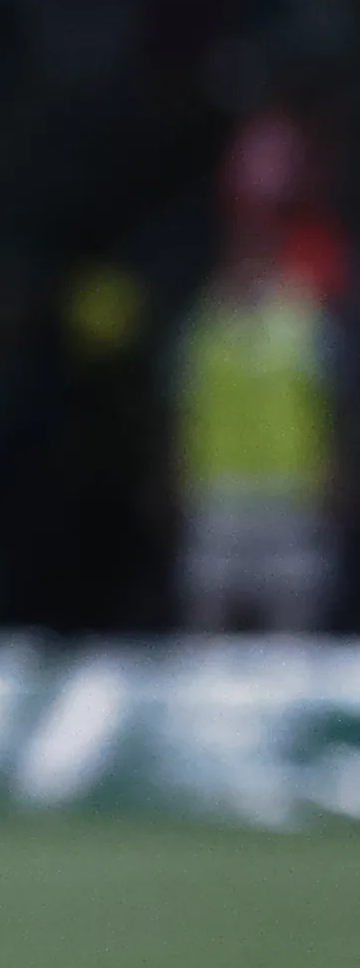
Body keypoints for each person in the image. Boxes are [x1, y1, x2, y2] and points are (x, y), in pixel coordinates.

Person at [171, 112, 342, 637]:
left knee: (293, 645)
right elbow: (183, 406)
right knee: (206, 636)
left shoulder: (303, 318)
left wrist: (333, 474)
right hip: (218, 499)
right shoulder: (204, 324)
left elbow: (333, 402)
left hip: (290, 499)